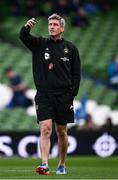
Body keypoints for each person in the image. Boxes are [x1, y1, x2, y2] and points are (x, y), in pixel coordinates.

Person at [20, 13, 81, 175]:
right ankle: (44, 163)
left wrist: (71, 95)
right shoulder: (39, 44)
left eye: (55, 25)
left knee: (62, 131)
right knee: (46, 128)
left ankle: (61, 165)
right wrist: (26, 28)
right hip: (44, 95)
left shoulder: (71, 48)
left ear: (62, 28)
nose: (51, 27)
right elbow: (23, 37)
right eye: (50, 25)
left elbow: (76, 75)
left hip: (64, 96)